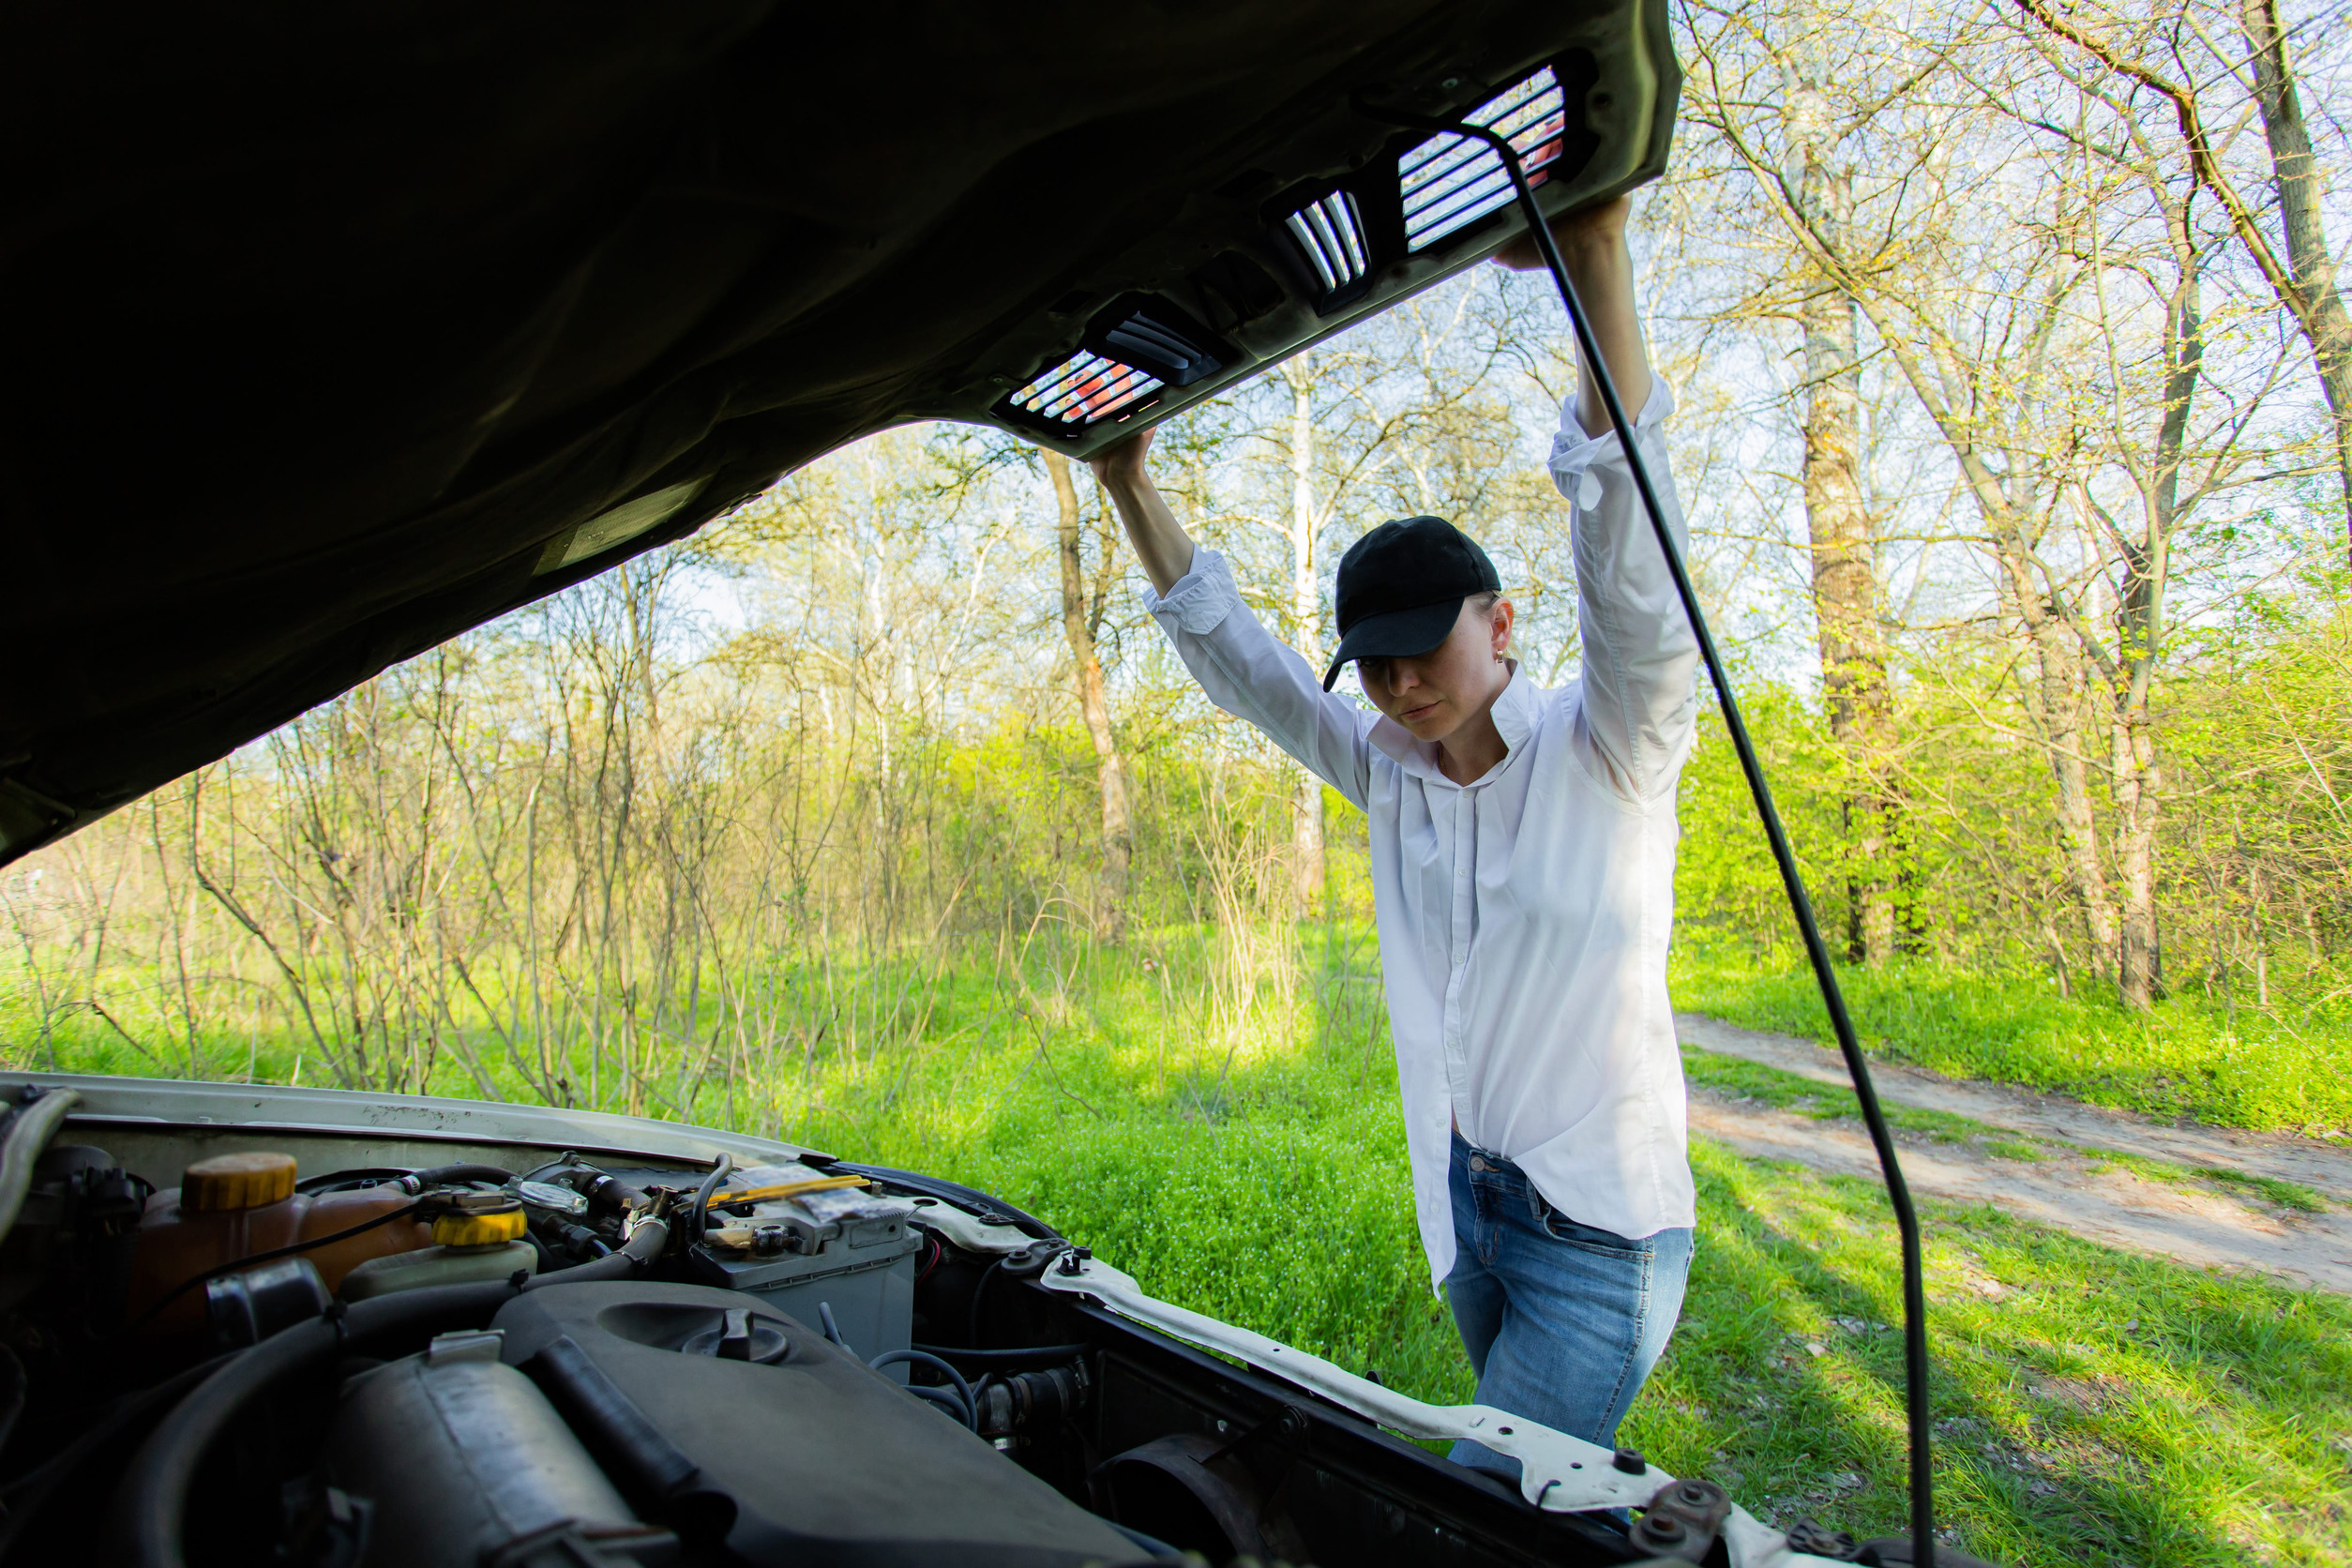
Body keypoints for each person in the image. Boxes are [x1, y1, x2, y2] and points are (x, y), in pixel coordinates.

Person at [1088, 195, 1698, 1479]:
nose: (1402, 682)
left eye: (1426, 647)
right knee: (1537, 1508)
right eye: (1375, 662)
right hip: (1467, 1214)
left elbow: (1634, 570)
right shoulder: (1390, 770)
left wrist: (1593, 259)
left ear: (1502, 623)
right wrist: (1126, 478)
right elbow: (1244, 665)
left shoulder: (1611, 746)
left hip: (1599, 1235)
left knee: (1478, 1503)